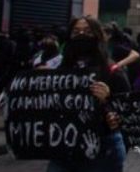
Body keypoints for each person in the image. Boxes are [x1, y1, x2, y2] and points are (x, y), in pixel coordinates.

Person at [51, 16, 129, 172]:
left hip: (102, 147)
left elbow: (128, 109)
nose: (81, 35)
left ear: (97, 36)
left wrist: (108, 101)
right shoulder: (60, 69)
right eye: (76, 32)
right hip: (63, 146)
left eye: (87, 31)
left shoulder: (112, 71)